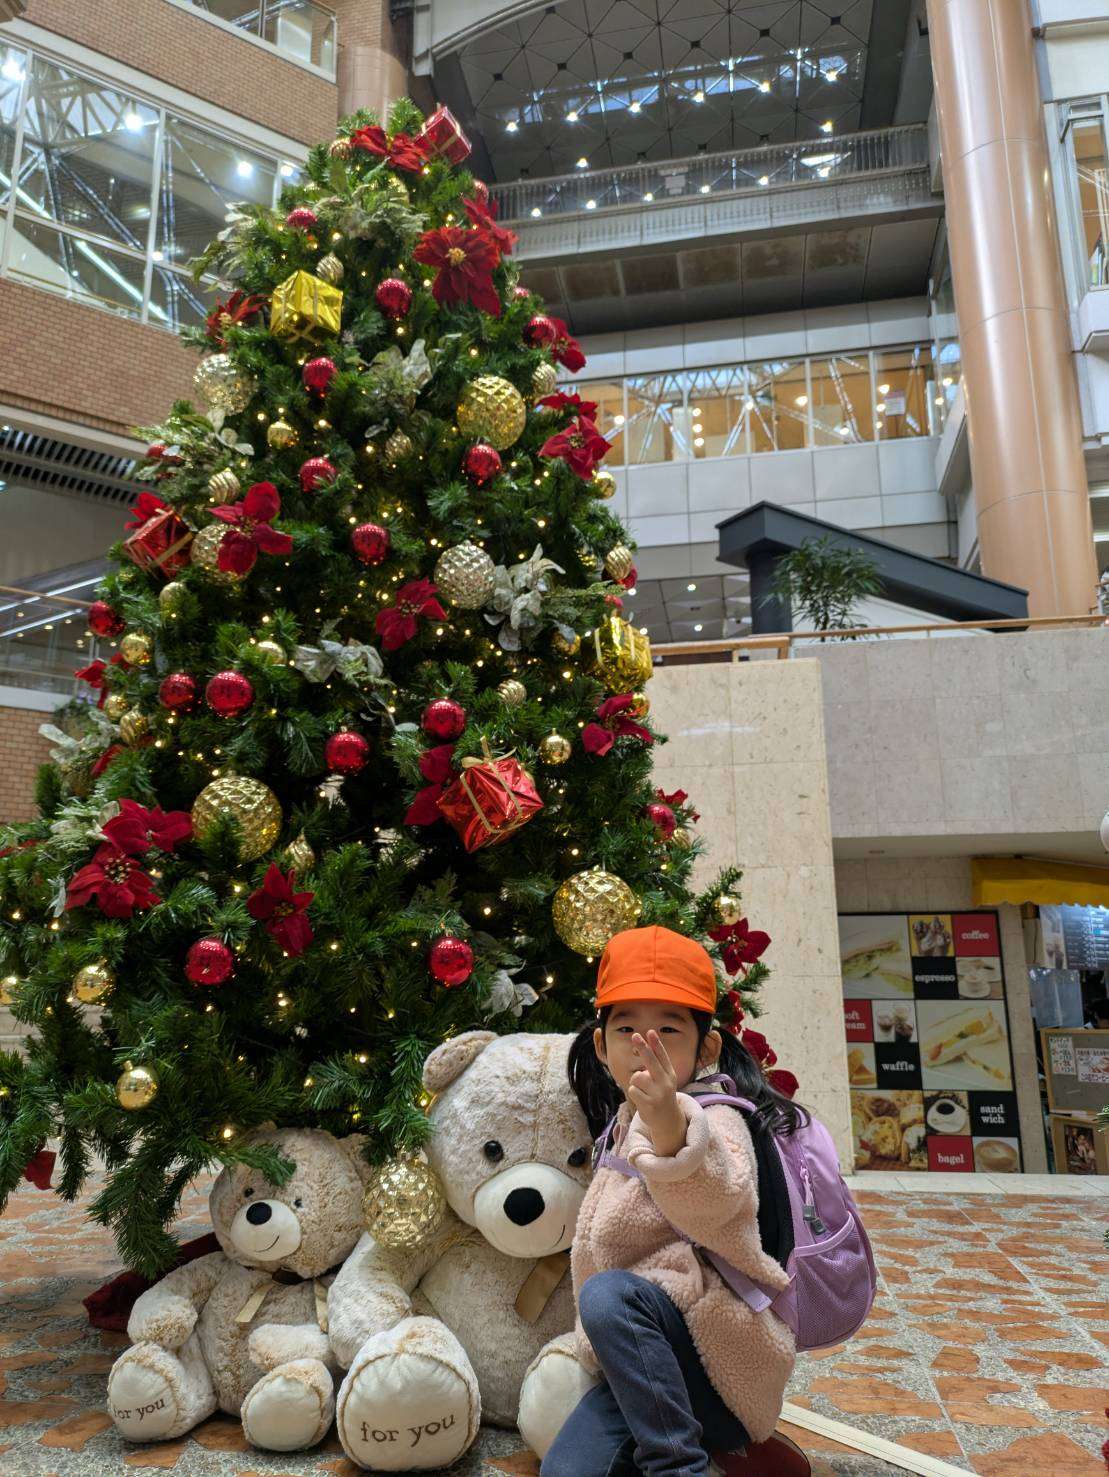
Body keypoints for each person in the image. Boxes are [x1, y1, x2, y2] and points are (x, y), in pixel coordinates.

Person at [541, 925, 806, 1477]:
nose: (646, 1045)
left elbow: (719, 1197)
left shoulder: (715, 1117)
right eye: (627, 1029)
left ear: (706, 1048)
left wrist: (668, 1128)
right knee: (567, 1471)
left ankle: (680, 1464)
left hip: (718, 1366)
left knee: (609, 1295)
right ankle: (728, 1455)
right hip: (646, 1371)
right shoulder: (619, 1125)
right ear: (601, 1045)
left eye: (667, 1029)